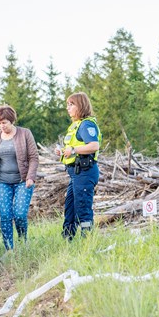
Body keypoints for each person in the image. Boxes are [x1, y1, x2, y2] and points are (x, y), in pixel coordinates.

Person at [0, 104, 39, 250]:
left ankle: (22, 242)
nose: (2, 126)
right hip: (2, 182)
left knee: (20, 214)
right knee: (5, 216)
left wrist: (31, 177)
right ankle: (9, 249)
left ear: (11, 120)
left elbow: (33, 157)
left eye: (4, 123)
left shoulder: (25, 133)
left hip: (22, 181)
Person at [54, 92, 101, 240]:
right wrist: (62, 151)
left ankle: (87, 241)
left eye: (71, 104)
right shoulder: (76, 125)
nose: (68, 108)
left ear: (80, 105)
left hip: (85, 172)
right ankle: (68, 240)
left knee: (82, 207)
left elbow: (94, 145)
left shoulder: (86, 124)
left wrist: (73, 150)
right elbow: (74, 149)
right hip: (76, 173)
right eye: (67, 105)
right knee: (70, 208)